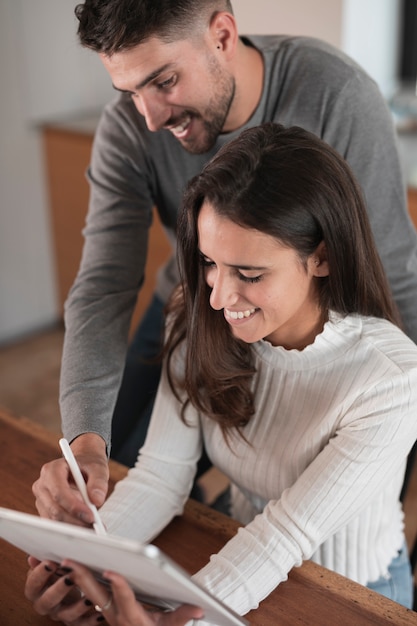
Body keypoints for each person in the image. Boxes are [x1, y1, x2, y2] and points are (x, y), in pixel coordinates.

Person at [37, 0, 417, 518]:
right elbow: (104, 285)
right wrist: (83, 437)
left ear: (221, 36)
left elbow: (394, 273)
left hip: (311, 324)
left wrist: (395, 446)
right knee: (117, 475)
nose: (148, 118)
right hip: (192, 302)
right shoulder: (128, 128)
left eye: (164, 81)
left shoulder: (337, 94)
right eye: (129, 92)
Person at [27, 124, 417, 625]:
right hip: (238, 556)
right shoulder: (199, 314)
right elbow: (161, 478)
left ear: (322, 257)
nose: (217, 298)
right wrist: (80, 565)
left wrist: (185, 620)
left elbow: (285, 535)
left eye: (250, 275)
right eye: (210, 263)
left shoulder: (392, 380)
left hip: (351, 594)